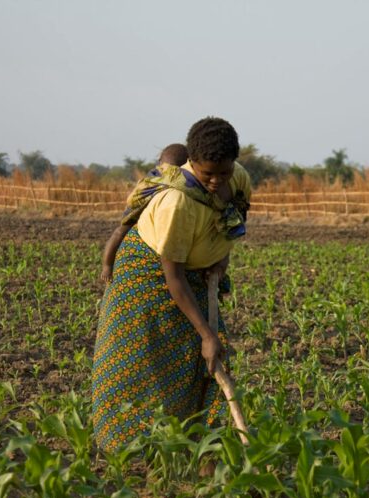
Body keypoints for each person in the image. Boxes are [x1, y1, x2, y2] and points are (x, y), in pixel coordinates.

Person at [92, 117, 251, 451]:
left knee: (204, 360)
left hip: (196, 273)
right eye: (208, 174)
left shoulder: (238, 179)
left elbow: (232, 219)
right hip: (147, 275)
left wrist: (219, 261)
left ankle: (200, 447)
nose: (217, 181)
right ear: (192, 163)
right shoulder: (176, 203)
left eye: (223, 172)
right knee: (140, 359)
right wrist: (206, 334)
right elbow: (173, 276)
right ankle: (129, 449)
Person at [99, 143, 189, 283]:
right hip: (141, 210)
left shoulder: (155, 174)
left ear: (160, 161)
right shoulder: (180, 178)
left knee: (120, 232)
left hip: (145, 210)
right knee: (121, 231)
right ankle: (107, 265)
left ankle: (107, 265)